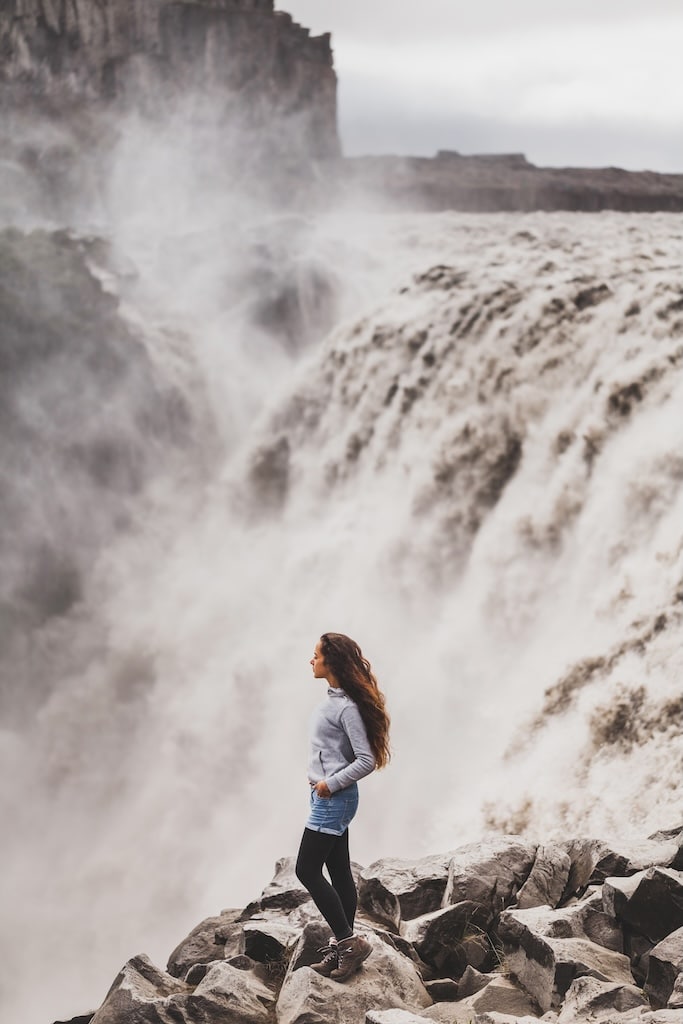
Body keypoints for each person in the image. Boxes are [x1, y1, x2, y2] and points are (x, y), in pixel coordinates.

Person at [295, 632, 391, 982]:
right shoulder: (336, 700)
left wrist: (328, 783)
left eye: (316, 655)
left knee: (306, 870)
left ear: (330, 662)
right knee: (337, 871)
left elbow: (366, 760)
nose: (312, 660)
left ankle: (351, 944)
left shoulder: (347, 708)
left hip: (333, 799)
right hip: (326, 797)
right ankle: (342, 949)